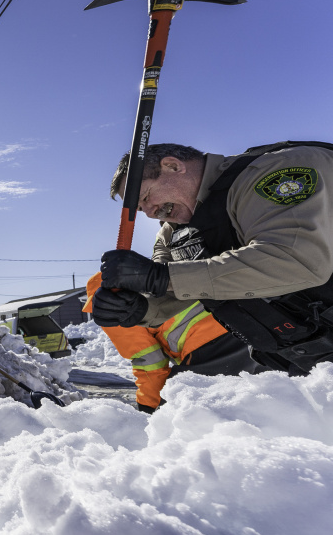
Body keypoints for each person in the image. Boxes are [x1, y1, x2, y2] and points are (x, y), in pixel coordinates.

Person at [93, 141, 333, 375]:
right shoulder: (174, 232)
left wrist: (161, 277)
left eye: (145, 197)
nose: (149, 213)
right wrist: (138, 308)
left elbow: (296, 261)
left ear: (173, 166)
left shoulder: (276, 171)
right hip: (304, 359)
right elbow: (175, 286)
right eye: (139, 209)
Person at [83, 271, 256, 412]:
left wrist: (149, 407)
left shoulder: (113, 311)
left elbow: (150, 363)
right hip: (251, 325)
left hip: (210, 348)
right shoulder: (160, 281)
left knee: (180, 412)